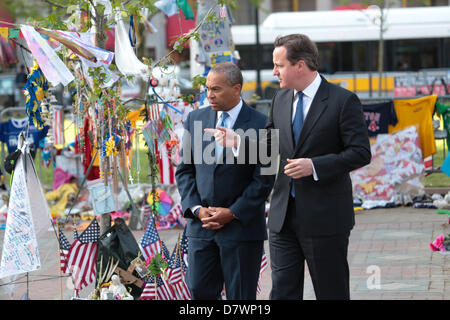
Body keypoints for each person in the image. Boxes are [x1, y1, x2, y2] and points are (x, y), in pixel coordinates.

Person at [267, 34, 371, 300]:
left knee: (331, 291)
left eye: (279, 65)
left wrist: (314, 166)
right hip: (282, 218)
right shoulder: (279, 100)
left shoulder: (343, 100)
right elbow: (269, 144)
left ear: (300, 65)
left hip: (325, 217)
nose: (274, 71)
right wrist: (237, 143)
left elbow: (360, 153)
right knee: (282, 293)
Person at [175, 62, 274, 300]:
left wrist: (232, 212)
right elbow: (184, 171)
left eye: (216, 89)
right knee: (199, 291)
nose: (209, 94)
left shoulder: (263, 123)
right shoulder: (195, 119)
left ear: (237, 89)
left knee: (241, 296)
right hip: (202, 228)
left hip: (241, 228)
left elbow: (265, 178)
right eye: (208, 88)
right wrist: (197, 210)